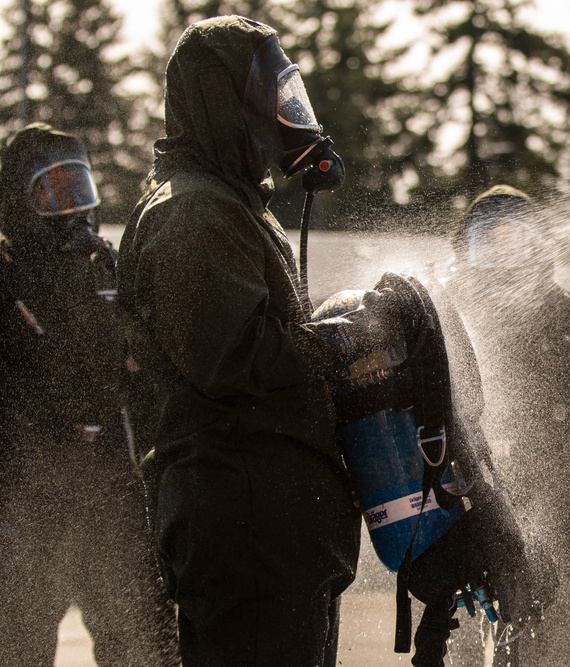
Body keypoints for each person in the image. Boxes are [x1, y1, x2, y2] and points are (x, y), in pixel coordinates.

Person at [115, 16, 424, 666]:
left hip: (268, 530)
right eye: (276, 98)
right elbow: (238, 357)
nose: (291, 116)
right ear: (228, 103)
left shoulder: (227, 205)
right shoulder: (192, 213)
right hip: (244, 524)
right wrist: (344, 339)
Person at [0, 123, 180, 664]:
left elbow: (144, 367)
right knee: (20, 645)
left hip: (111, 489)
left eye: (80, 191)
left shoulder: (105, 265)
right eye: (53, 194)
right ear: (19, 202)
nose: (73, 210)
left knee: (144, 642)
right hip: (32, 497)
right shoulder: (7, 279)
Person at [440, 185, 570, 667]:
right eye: (488, 239)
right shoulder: (442, 316)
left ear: (536, 245)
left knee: (539, 653)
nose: (502, 252)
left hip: (554, 518)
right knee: (453, 651)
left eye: (514, 239)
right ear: (466, 249)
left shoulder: (568, 320)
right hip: (463, 516)